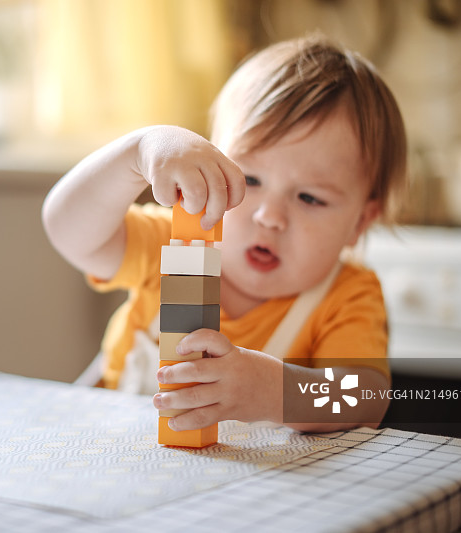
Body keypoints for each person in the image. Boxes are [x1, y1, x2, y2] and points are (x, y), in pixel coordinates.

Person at [42, 35, 406, 433]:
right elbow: (67, 230)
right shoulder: (176, 243)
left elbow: (364, 398)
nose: (270, 217)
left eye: (309, 198)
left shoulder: (346, 294)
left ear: (359, 223)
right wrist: (135, 152)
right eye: (249, 178)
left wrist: (271, 391)